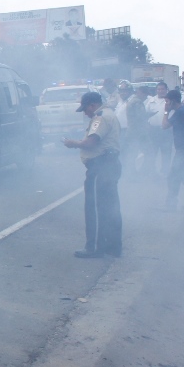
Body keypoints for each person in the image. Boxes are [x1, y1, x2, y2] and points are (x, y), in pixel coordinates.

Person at [63, 92, 122, 258]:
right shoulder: (109, 114)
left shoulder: (100, 117)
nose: (85, 113)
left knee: (95, 208)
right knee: (111, 208)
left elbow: (91, 142)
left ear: (92, 105)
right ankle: (113, 246)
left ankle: (94, 248)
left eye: (85, 109)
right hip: (109, 165)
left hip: (101, 167)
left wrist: (72, 143)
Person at [144, 81, 173, 175]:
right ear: (156, 90)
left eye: (162, 89)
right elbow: (144, 115)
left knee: (166, 153)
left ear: (166, 90)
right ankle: (152, 172)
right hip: (153, 131)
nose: (160, 91)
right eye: (158, 89)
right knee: (152, 152)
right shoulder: (151, 101)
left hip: (166, 131)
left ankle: (165, 172)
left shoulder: (170, 101)